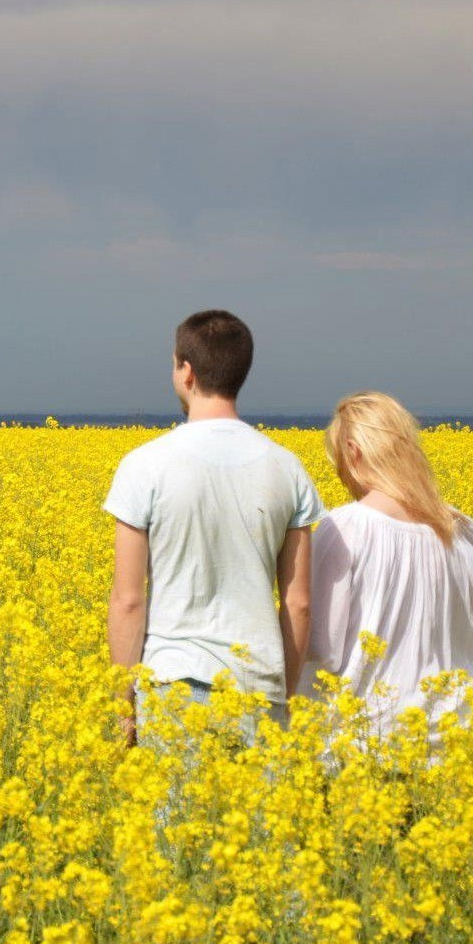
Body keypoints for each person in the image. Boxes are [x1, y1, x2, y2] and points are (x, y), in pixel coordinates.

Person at [104, 310, 328, 759]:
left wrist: (121, 704)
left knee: (177, 827)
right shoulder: (287, 468)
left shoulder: (144, 465)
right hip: (258, 685)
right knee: (258, 830)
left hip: (173, 684)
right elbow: (298, 603)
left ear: (186, 371)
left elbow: (129, 599)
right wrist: (280, 695)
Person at [297, 391, 473, 745]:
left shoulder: (347, 528)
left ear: (353, 451)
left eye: (339, 462)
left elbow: (322, 647)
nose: (341, 476)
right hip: (456, 743)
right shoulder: (467, 532)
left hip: (369, 741)